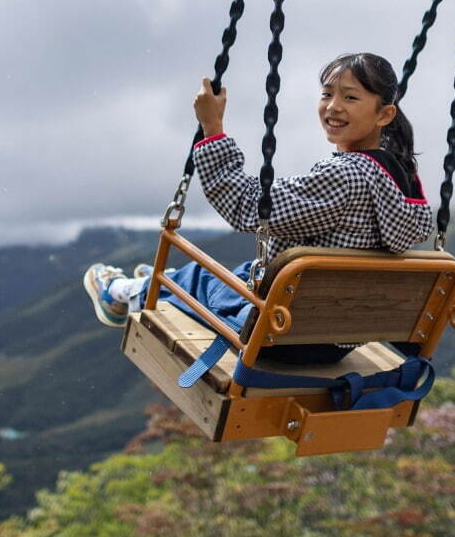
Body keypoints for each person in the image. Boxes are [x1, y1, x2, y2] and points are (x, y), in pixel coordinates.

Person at [83, 52, 436, 349]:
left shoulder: (346, 176)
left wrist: (212, 128)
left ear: (384, 114)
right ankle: (154, 284)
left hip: (285, 334)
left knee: (200, 278)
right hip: (338, 336)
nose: (333, 107)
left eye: (350, 97)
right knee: (223, 275)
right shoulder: (402, 180)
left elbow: (249, 206)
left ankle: (122, 293)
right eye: (327, 94)